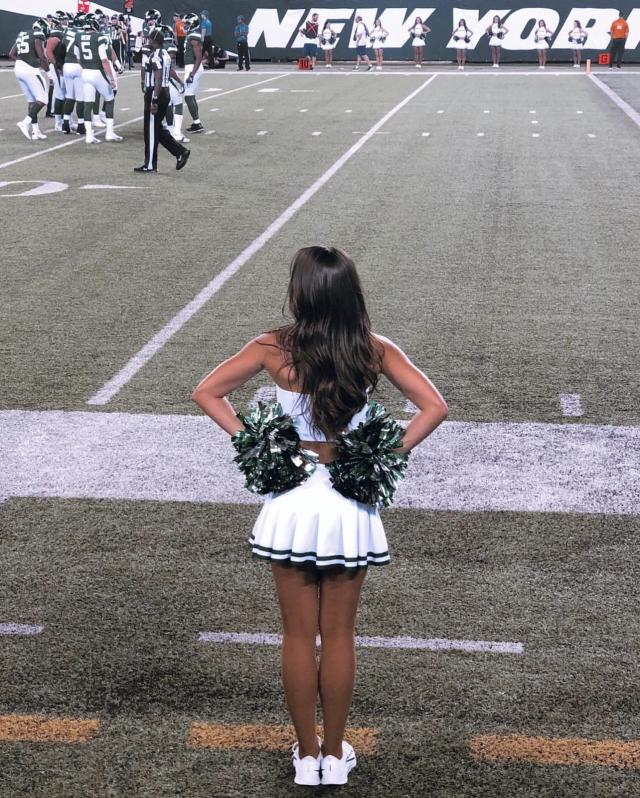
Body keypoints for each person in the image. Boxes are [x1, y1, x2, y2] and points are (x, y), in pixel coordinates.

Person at [191, 246, 447, 787]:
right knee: (340, 635)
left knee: (295, 635)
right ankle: (335, 755)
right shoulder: (374, 350)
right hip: (348, 503)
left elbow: (207, 392)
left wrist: (257, 442)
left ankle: (306, 758)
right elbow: (434, 407)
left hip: (293, 499)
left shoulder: (272, 348)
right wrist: (384, 455)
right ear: (350, 291)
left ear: (301, 292)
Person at [134, 28, 190, 173]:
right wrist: (179, 81)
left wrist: (154, 100)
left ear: (153, 40)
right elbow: (169, 70)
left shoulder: (155, 56)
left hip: (156, 91)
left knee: (151, 131)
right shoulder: (164, 53)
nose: (148, 40)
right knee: (156, 128)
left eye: (149, 38)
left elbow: (158, 78)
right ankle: (180, 152)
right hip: (164, 92)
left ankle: (151, 165)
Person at [78, 13, 121, 143]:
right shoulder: (99, 37)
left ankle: (89, 136)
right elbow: (104, 60)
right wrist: (112, 79)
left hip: (85, 73)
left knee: (88, 103)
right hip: (97, 72)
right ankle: (109, 132)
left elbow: (79, 58)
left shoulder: (78, 37)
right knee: (110, 98)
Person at [10, 18, 50, 141]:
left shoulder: (23, 33)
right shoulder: (39, 35)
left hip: (18, 69)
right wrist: (48, 72)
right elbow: (41, 56)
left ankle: (35, 131)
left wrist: (23, 62)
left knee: (32, 101)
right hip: (30, 71)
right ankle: (25, 122)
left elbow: (12, 54)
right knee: (43, 99)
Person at [61, 13, 86, 135]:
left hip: (66, 65)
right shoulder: (83, 34)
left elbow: (60, 48)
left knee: (70, 96)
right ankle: (81, 125)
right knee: (80, 97)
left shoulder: (67, 32)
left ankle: (65, 124)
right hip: (78, 65)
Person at [45, 12, 68, 132]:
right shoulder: (56, 33)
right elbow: (48, 51)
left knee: (65, 94)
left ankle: (65, 120)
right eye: (64, 19)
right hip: (58, 67)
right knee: (60, 95)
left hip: (63, 66)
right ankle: (59, 122)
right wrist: (56, 65)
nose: (67, 21)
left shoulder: (64, 32)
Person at [182, 12, 205, 133]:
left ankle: (197, 123)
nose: (184, 25)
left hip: (193, 67)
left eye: (187, 23)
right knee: (191, 96)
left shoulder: (193, 36)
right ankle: (196, 122)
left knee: (188, 96)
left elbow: (199, 57)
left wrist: (192, 73)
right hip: (191, 67)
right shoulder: (191, 35)